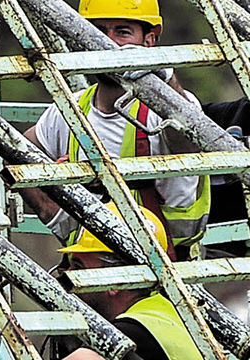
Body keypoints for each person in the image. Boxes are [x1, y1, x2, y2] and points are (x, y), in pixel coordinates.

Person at [20, 0, 212, 246]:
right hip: (91, 264)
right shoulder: (72, 109)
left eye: (122, 32)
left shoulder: (172, 107)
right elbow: (20, 152)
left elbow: (189, 144)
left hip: (168, 265)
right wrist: (57, 216)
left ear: (149, 40)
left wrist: (166, 78)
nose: (107, 43)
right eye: (97, 32)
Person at [56, 205, 203, 360]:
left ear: (114, 280)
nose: (69, 273)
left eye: (78, 267)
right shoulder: (168, 314)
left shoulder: (138, 328)